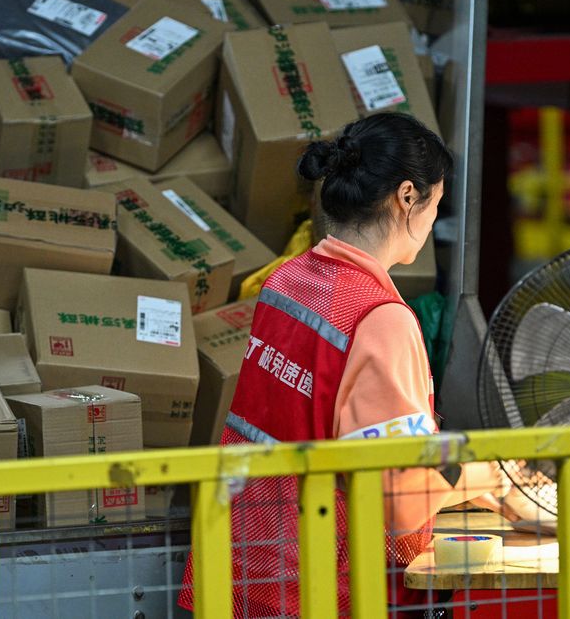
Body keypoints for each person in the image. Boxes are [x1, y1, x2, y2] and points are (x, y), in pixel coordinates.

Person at [179, 112, 512, 617]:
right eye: (435, 205)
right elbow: (401, 505)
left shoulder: (286, 281)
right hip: (311, 584)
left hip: (238, 559)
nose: (430, 222)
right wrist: (493, 480)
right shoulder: (379, 319)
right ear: (406, 197)